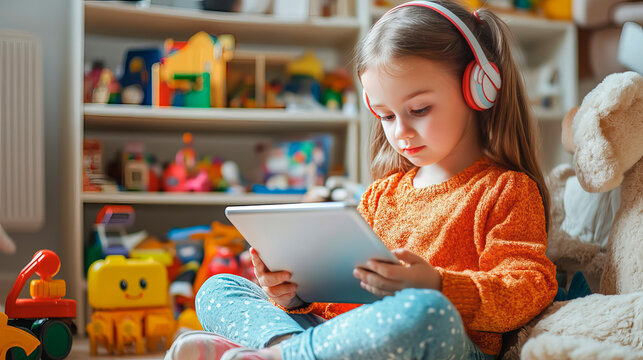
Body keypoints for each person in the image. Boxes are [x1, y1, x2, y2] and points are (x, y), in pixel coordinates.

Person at [164, 1, 558, 359]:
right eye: (386, 116)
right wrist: (294, 296)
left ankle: (276, 355)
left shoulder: (506, 189)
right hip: (339, 338)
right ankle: (284, 350)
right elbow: (335, 306)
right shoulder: (380, 196)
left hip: (435, 342)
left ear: (479, 89)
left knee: (426, 311)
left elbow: (528, 290)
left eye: (419, 109)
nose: (400, 132)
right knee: (218, 289)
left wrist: (437, 285)